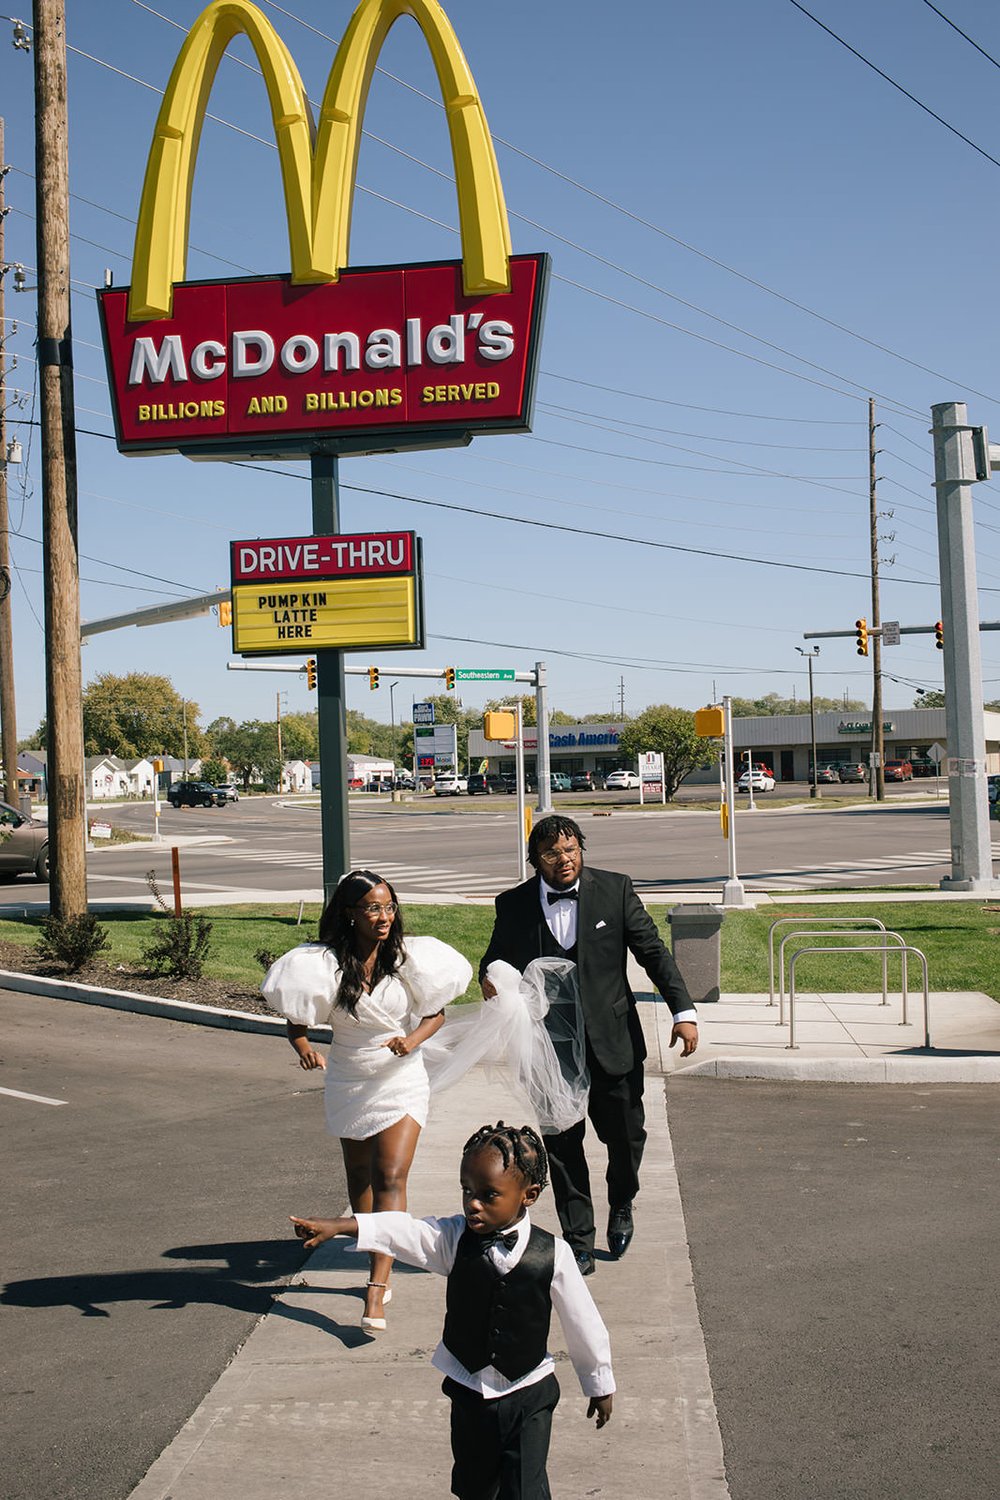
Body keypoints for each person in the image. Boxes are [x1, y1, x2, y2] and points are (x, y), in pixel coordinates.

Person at [291, 1120, 614, 1500]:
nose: (472, 1203)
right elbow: (403, 1231)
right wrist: (344, 1225)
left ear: (529, 1195)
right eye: (467, 1191)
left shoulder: (553, 1253)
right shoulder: (452, 1238)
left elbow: (584, 1324)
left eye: (489, 1194)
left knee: (526, 1488)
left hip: (529, 1392)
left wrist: (599, 1384)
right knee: (474, 1486)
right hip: (468, 1389)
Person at [479, 816, 698, 1276]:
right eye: (552, 854)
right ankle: (578, 1239)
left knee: (625, 1138)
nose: (564, 860)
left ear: (582, 848)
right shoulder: (513, 904)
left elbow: (652, 952)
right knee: (561, 1149)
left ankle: (623, 1201)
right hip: (547, 1049)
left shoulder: (615, 890)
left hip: (612, 1043)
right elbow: (495, 961)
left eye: (571, 849)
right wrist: (492, 981)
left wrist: (684, 1012)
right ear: (535, 860)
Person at [262, 869, 472, 1332]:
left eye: (389, 907)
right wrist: (304, 1050)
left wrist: (411, 1040)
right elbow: (296, 1024)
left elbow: (435, 1015)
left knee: (390, 1176)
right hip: (349, 1078)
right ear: (350, 913)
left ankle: (377, 1284)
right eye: (373, 908)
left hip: (401, 1077)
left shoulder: (409, 958)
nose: (383, 917)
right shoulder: (322, 965)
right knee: (360, 1179)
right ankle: (375, 1251)